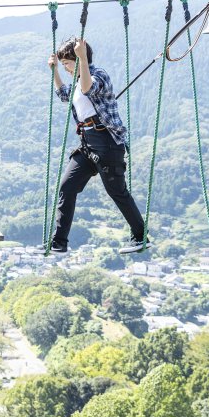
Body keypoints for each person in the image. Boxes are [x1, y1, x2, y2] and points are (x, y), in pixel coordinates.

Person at [47, 37, 148, 255]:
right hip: (88, 144)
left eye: (66, 63)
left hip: (107, 143)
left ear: (77, 59)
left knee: (117, 191)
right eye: (63, 64)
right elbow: (65, 95)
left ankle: (140, 236)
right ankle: (59, 242)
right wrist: (54, 70)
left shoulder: (98, 75)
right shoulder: (75, 81)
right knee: (67, 186)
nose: (65, 68)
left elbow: (87, 89)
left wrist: (82, 57)